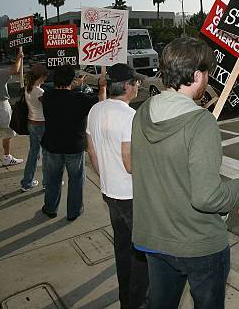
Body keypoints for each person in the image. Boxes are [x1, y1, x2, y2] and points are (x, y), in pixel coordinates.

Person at [131, 37, 239, 309]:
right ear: (197, 75)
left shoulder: (142, 112)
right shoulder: (200, 122)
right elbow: (206, 197)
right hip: (199, 245)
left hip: (154, 240)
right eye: (207, 72)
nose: (208, 79)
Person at [86, 63, 148, 308]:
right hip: (130, 196)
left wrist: (107, 176)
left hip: (109, 192)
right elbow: (130, 163)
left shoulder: (95, 110)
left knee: (122, 249)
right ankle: (138, 303)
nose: (138, 86)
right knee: (141, 255)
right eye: (136, 82)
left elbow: (91, 152)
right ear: (127, 86)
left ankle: (126, 299)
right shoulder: (130, 116)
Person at [40, 65, 106, 220]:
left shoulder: (46, 96)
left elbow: (62, 91)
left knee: (53, 179)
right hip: (74, 146)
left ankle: (50, 208)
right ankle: (74, 211)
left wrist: (74, 83)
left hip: (52, 145)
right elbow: (101, 102)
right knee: (76, 180)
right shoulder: (80, 99)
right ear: (72, 80)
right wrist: (102, 87)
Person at [20, 63, 49, 191]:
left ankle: (27, 182)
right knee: (46, 154)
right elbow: (48, 108)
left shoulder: (28, 88)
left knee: (33, 153)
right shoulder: (39, 92)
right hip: (41, 124)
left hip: (31, 123)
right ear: (42, 76)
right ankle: (47, 183)